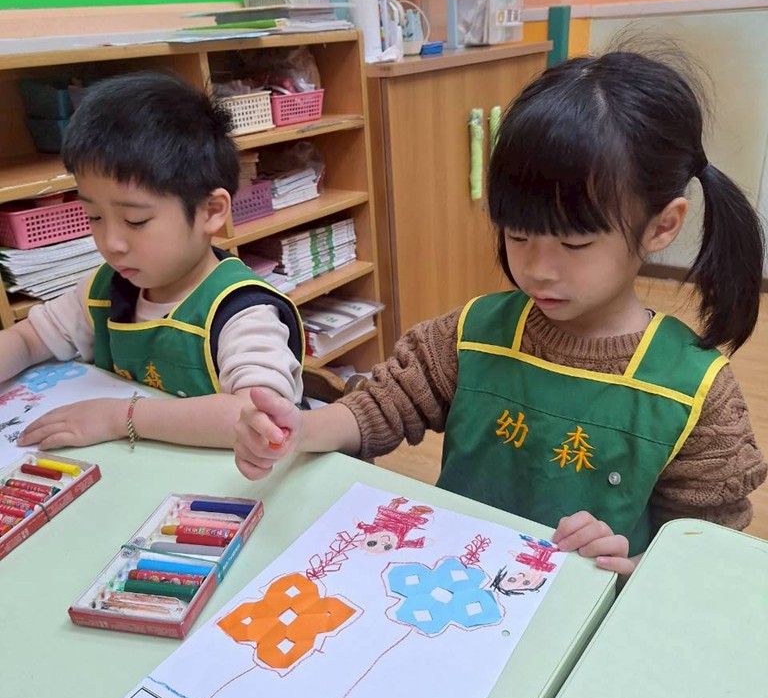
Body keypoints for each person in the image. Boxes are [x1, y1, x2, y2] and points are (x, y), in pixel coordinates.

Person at [233, 50, 767, 579]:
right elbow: (382, 406)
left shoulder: (695, 391)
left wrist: (630, 567)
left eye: (574, 243)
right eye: (518, 235)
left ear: (662, 226)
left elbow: (703, 547)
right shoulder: (472, 333)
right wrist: (301, 429)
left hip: (586, 612)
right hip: (447, 582)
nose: (537, 269)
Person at [0, 71, 304, 450]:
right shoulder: (105, 289)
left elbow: (260, 419)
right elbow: (28, 339)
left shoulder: (242, 312)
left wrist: (119, 417)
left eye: (135, 221)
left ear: (211, 211)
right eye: (94, 216)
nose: (111, 243)